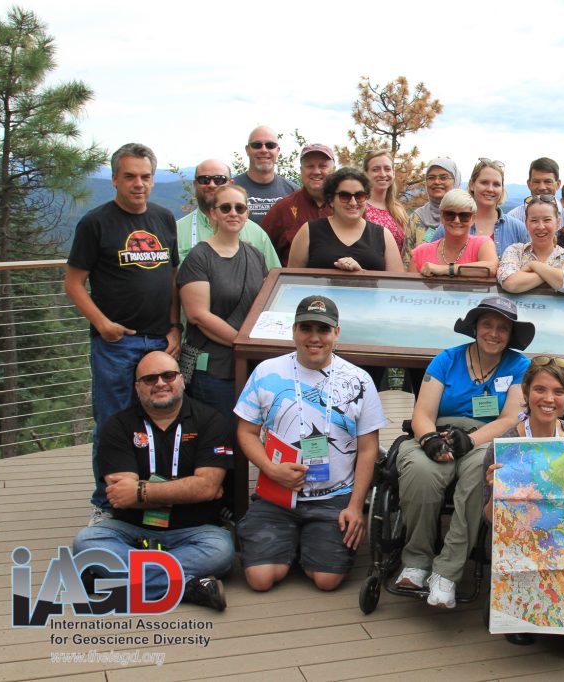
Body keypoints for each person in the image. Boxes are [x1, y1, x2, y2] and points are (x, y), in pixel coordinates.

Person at [234, 296, 388, 592]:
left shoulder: (360, 380)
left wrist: (356, 506)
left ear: (336, 333)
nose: (314, 337)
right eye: (306, 328)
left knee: (327, 580)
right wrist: (270, 469)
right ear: (294, 331)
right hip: (277, 494)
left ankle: (305, 544)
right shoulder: (267, 371)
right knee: (260, 579)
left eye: (323, 329)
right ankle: (290, 542)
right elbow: (246, 432)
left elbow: (368, 448)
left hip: (333, 496)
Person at [65, 143, 181, 526]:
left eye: (146, 176)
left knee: (163, 421)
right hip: (117, 343)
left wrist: (174, 326)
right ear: (115, 178)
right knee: (114, 422)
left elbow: (173, 278)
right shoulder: (96, 223)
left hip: (159, 342)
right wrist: (102, 324)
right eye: (130, 176)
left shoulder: (164, 219)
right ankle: (106, 501)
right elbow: (74, 283)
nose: (139, 184)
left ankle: (150, 493)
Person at [395, 297, 535, 608]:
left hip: (486, 439)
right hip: (439, 432)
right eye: (488, 325)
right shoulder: (447, 359)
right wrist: (430, 440)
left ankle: (447, 570)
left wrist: (470, 442)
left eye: (503, 328)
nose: (494, 333)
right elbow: (422, 413)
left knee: (480, 474)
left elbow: (511, 419)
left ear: (511, 334)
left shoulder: (519, 366)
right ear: (475, 327)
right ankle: (416, 559)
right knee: (420, 470)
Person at [72, 351, 234, 611]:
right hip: (131, 530)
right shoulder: (118, 427)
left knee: (221, 550)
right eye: (149, 379)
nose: (160, 383)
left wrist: (141, 491)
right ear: (137, 387)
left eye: (168, 375)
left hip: (194, 530)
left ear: (181, 379)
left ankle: (111, 581)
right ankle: (189, 587)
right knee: (86, 542)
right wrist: (189, 489)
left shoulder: (211, 421)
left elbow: (207, 487)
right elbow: (121, 497)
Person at [482, 356, 564, 646]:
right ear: (527, 393)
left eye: (558, 392)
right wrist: (497, 494)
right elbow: (489, 521)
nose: (548, 399)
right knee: (524, 634)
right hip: (521, 546)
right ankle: (510, 605)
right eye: (540, 389)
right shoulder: (504, 445)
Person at [177, 183, 268, 441]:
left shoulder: (255, 256)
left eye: (240, 208)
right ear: (212, 213)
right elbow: (198, 315)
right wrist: (243, 342)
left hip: (249, 366)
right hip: (213, 369)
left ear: (247, 213)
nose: (233, 213)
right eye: (225, 207)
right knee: (218, 439)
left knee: (245, 437)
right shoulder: (199, 257)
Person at [287, 167, 404, 273]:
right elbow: (291, 282)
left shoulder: (384, 235)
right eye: (345, 196)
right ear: (331, 200)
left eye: (359, 196)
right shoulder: (308, 231)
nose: (353, 202)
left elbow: (396, 286)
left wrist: (362, 273)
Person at [176, 158, 281, 270]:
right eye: (204, 180)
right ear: (195, 184)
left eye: (219, 180)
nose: (212, 185)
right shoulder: (176, 231)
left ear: (231, 183)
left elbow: (274, 277)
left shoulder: (257, 234)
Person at [428, 159, 529, 258]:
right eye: (484, 182)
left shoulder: (517, 229)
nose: (490, 189)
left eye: (496, 184)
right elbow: (428, 258)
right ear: (472, 184)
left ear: (502, 189)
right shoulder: (450, 226)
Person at [262, 144, 336, 265]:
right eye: (310, 166)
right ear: (301, 171)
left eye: (323, 166)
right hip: (295, 283)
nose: (316, 171)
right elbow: (260, 251)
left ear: (334, 170)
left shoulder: (348, 206)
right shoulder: (282, 209)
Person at [498, 195, 564, 294]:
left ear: (558, 223)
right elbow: (510, 283)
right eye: (534, 220)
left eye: (547, 220)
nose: (541, 226)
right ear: (526, 224)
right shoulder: (515, 251)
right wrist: (552, 275)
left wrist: (533, 265)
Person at [409, 189, 497, 278]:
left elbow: (492, 268)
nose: (456, 220)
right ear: (442, 217)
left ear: (473, 219)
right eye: (450, 214)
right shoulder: (420, 253)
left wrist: (445, 269)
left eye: (464, 216)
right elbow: (408, 289)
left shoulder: (482, 244)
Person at [233, 126, 298, 223]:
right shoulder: (230, 188)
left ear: (278, 150)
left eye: (270, 145)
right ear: (247, 150)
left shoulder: (294, 192)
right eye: (256, 145)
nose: (263, 150)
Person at [403, 158, 461, 267]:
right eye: (431, 178)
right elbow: (407, 260)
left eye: (443, 177)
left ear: (456, 181)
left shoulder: (465, 216)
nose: (437, 182)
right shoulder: (417, 218)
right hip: (421, 282)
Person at [363, 148, 407, 253]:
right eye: (376, 169)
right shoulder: (359, 207)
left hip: (398, 269)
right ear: (366, 174)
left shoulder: (398, 210)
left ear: (393, 173)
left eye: (387, 169)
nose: (382, 174)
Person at [506, 157, 564, 226]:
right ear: (529, 184)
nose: (542, 187)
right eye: (536, 182)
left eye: (547, 181)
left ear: (558, 184)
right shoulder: (514, 217)